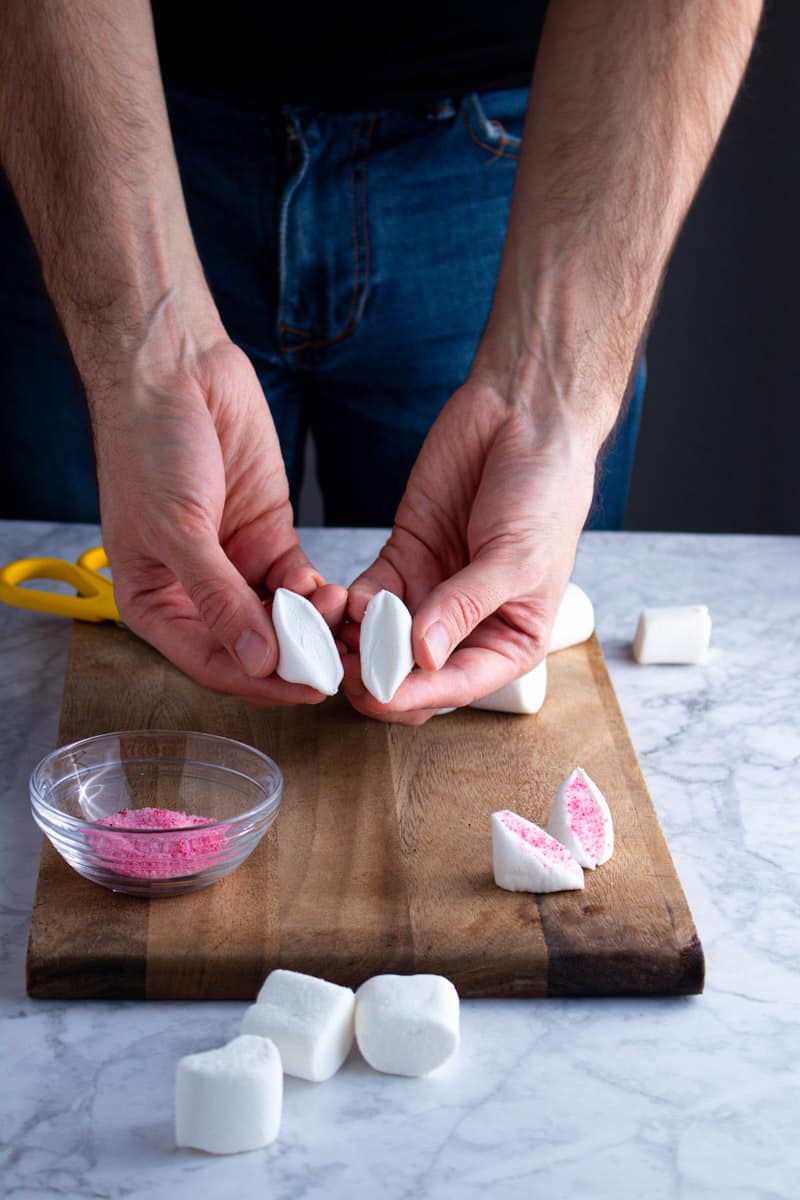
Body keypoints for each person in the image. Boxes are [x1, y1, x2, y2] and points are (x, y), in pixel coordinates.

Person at [0, 1, 761, 724]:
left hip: (543, 152)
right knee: (91, 660)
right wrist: (140, 349)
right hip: (103, 125)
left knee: (489, 613)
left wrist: (547, 400)